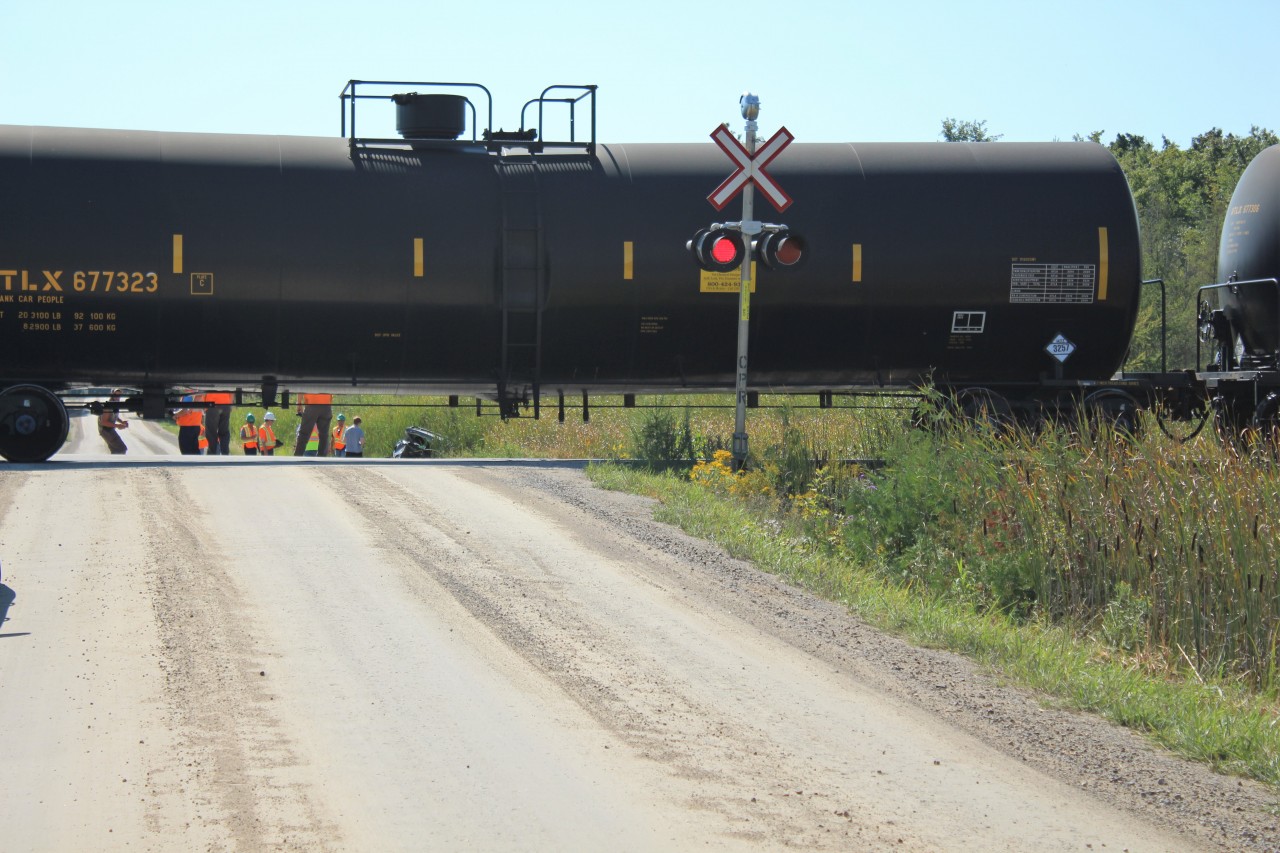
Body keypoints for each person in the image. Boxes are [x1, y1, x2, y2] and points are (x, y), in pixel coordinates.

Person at [97, 389, 129, 454]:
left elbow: (114, 416)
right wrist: (117, 426)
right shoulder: (108, 406)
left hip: (109, 429)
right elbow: (104, 422)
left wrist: (121, 422)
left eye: (119, 395)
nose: (117, 397)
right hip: (105, 430)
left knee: (115, 450)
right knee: (122, 448)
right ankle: (119, 463)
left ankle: (114, 463)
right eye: (115, 395)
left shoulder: (115, 405)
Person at [204, 391, 233, 455]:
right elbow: (232, 390)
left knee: (211, 432)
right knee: (224, 431)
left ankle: (212, 452)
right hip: (226, 403)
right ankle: (225, 452)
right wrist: (230, 404)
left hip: (212, 403)